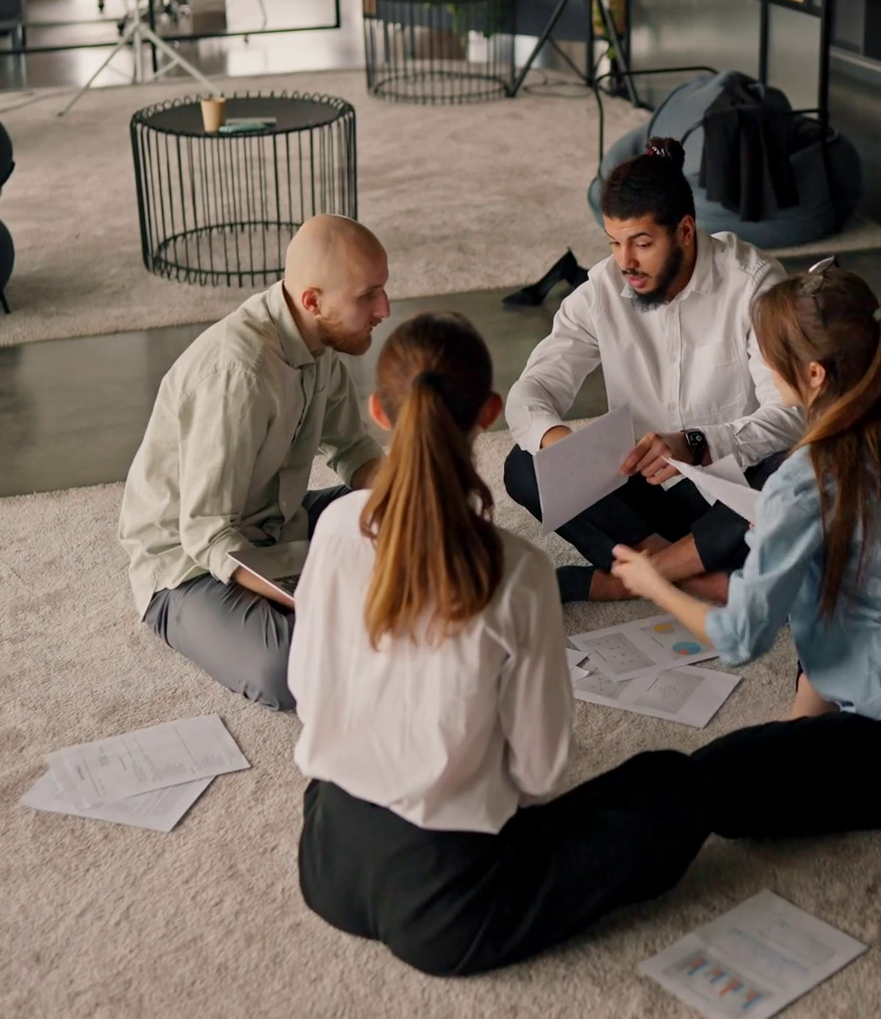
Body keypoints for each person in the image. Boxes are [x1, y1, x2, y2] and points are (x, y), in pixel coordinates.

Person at [291, 312, 711, 977]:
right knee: (674, 787)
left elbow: (306, 689)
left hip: (325, 860)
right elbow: (540, 773)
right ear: (488, 413)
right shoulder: (517, 570)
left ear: (377, 412)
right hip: (450, 904)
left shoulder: (337, 524)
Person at [608, 264, 881, 840]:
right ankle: (805, 730)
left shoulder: (806, 477)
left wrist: (655, 583)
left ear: (814, 374)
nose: (763, 365)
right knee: (821, 597)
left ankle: (809, 739)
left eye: (768, 356)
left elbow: (740, 638)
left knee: (709, 784)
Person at [503, 136, 805, 605]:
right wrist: (559, 444)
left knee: (806, 471)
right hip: (642, 493)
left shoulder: (753, 284)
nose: (625, 262)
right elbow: (531, 391)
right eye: (614, 243)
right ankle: (687, 573)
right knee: (526, 465)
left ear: (685, 231)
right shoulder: (601, 291)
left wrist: (697, 443)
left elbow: (791, 414)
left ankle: (639, 576)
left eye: (642, 244)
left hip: (731, 492)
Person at [118, 215, 389, 711]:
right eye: (368, 295)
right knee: (286, 669)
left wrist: (414, 492)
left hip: (277, 519)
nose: (384, 309)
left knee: (409, 511)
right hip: (188, 563)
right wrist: (302, 599)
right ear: (313, 301)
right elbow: (208, 534)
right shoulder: (239, 374)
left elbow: (354, 451)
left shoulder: (321, 341)